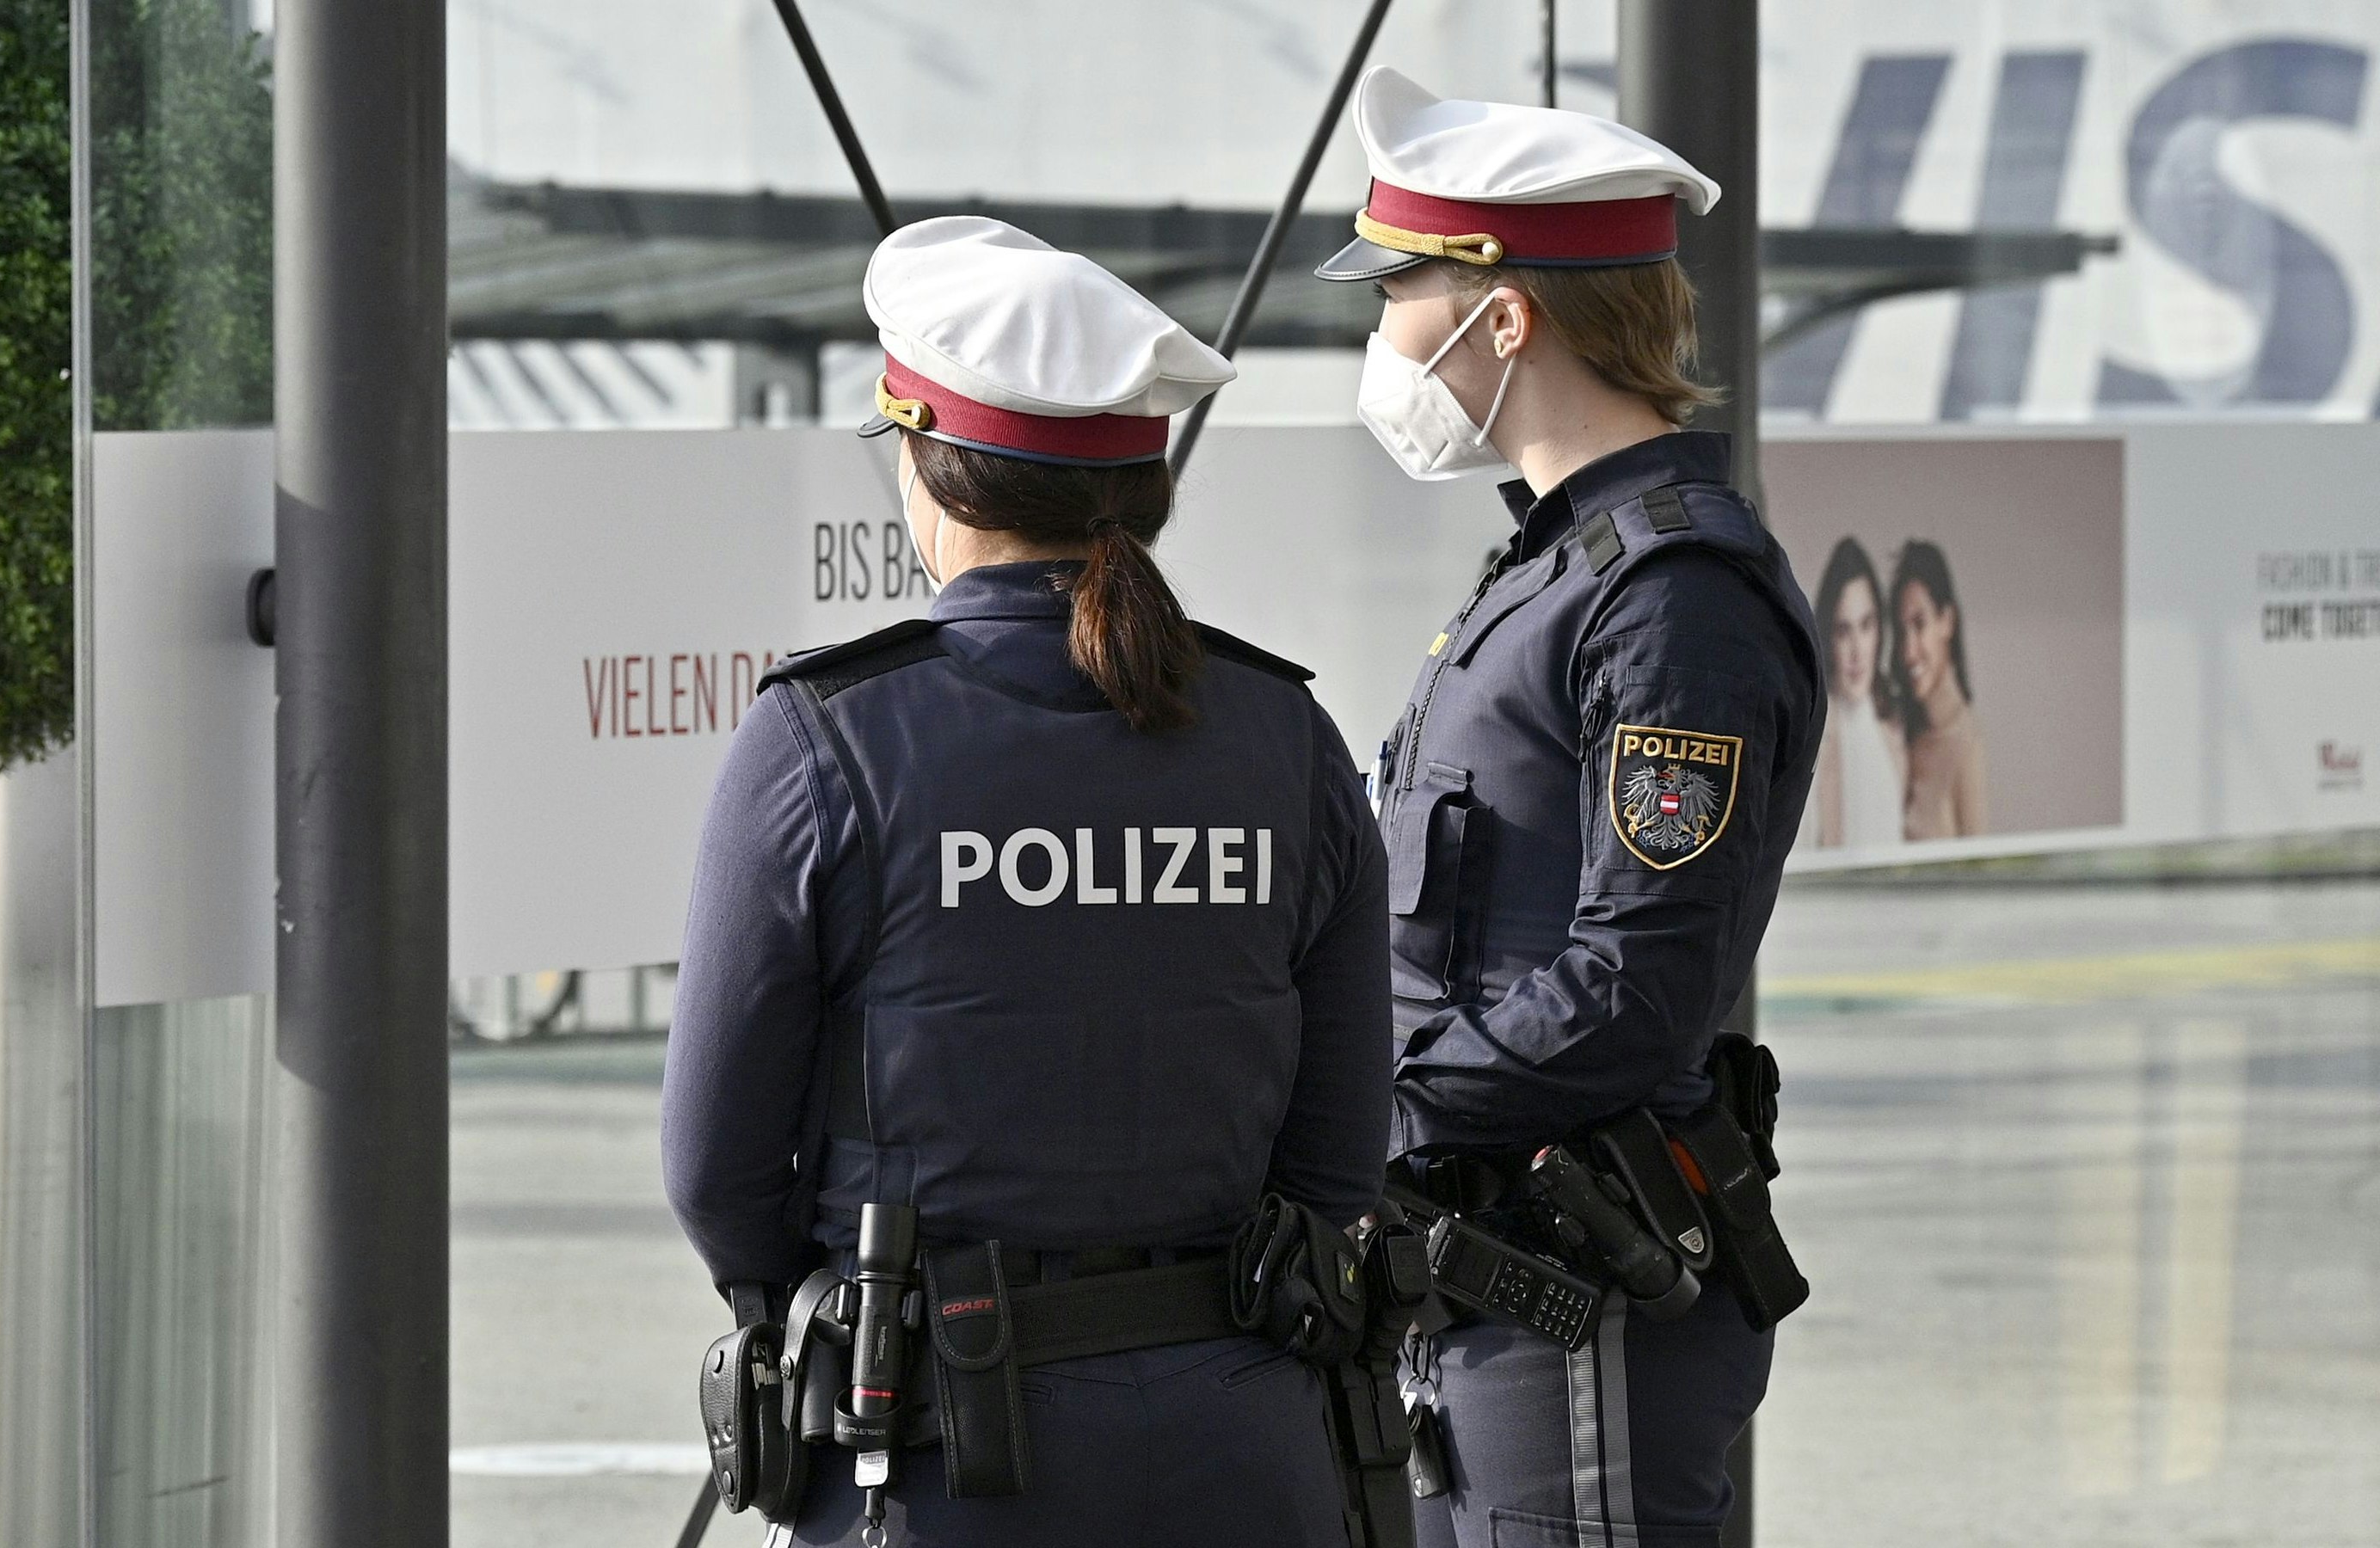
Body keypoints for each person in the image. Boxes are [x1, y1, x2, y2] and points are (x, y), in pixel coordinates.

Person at [661, 216, 1391, 1548]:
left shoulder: (827, 737)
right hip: (1245, 1445)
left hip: (941, 1448)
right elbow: (1340, 1153)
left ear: (928, 468)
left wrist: (830, 1309)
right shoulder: (1287, 734)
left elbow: (716, 1166)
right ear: (1145, 486)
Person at [1312, 68, 1823, 1547]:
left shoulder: (1671, 598)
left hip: (1574, 1299)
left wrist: (1375, 1112)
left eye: (1397, 291)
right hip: (1483, 1287)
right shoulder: (1559, 571)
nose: (1380, 334)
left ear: (1504, 317)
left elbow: (1637, 985)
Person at [1808, 537, 1905, 847]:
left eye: (1866, 625)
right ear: (1828, 636)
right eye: (1843, 630)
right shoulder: (1817, 731)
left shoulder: (1894, 724)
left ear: (1880, 629)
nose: (1857, 650)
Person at [1890, 540, 1987, 839]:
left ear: (1947, 621)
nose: (1908, 652)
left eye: (1920, 624)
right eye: (1901, 631)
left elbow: (1979, 863)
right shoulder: (1903, 732)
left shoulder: (1966, 746)